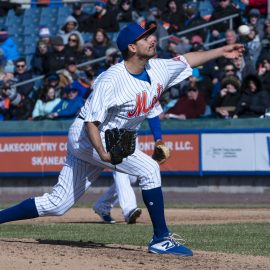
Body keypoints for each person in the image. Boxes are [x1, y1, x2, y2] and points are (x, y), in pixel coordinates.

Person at [0, 22, 244, 256]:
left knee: (58, 204)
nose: (152, 39)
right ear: (132, 47)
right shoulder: (111, 80)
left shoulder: (158, 68)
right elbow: (91, 123)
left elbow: (188, 59)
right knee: (149, 169)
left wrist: (222, 50)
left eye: (151, 34)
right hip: (88, 137)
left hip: (109, 136)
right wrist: (104, 155)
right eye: (145, 37)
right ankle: (161, 239)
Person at [93, 104, 166, 224]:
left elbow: (153, 114)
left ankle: (102, 205)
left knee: (131, 178)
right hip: (110, 133)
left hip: (131, 136)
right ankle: (129, 209)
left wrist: (158, 139)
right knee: (120, 172)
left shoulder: (149, 88)